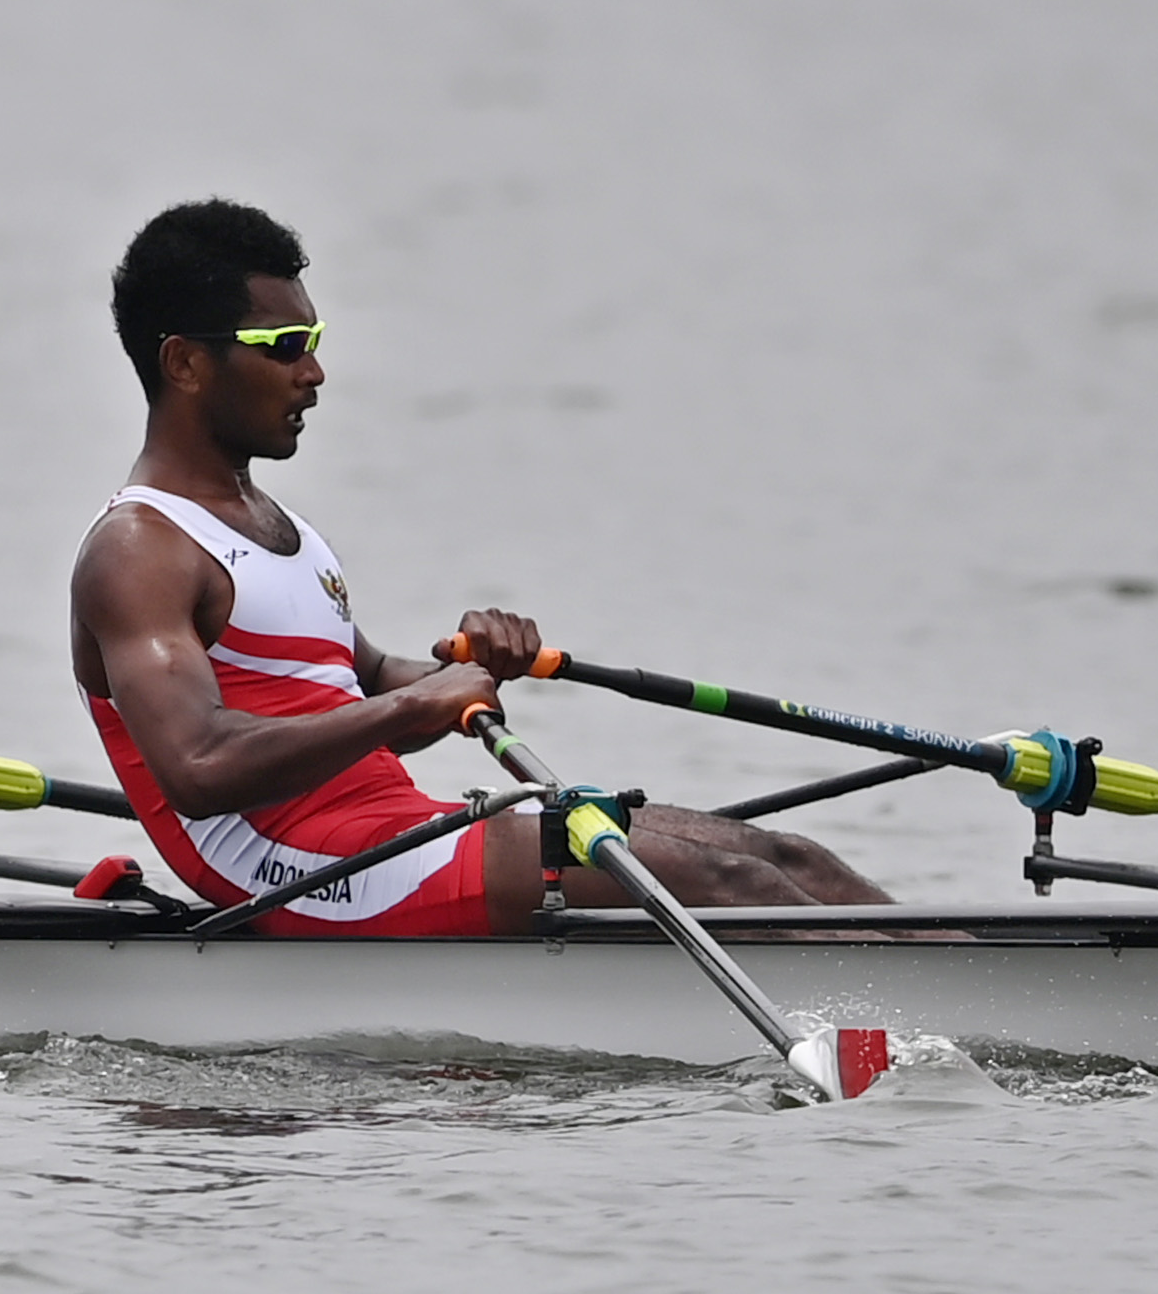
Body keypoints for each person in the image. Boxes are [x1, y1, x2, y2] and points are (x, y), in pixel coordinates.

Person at [70, 200, 886, 932]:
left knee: (786, 857)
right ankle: (917, 1046)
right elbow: (200, 768)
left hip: (387, 831)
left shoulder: (270, 525)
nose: (314, 373)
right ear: (184, 363)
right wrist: (412, 710)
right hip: (292, 867)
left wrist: (459, 663)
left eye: (314, 343)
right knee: (724, 881)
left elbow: (368, 684)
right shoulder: (139, 550)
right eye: (284, 347)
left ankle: (979, 1002)